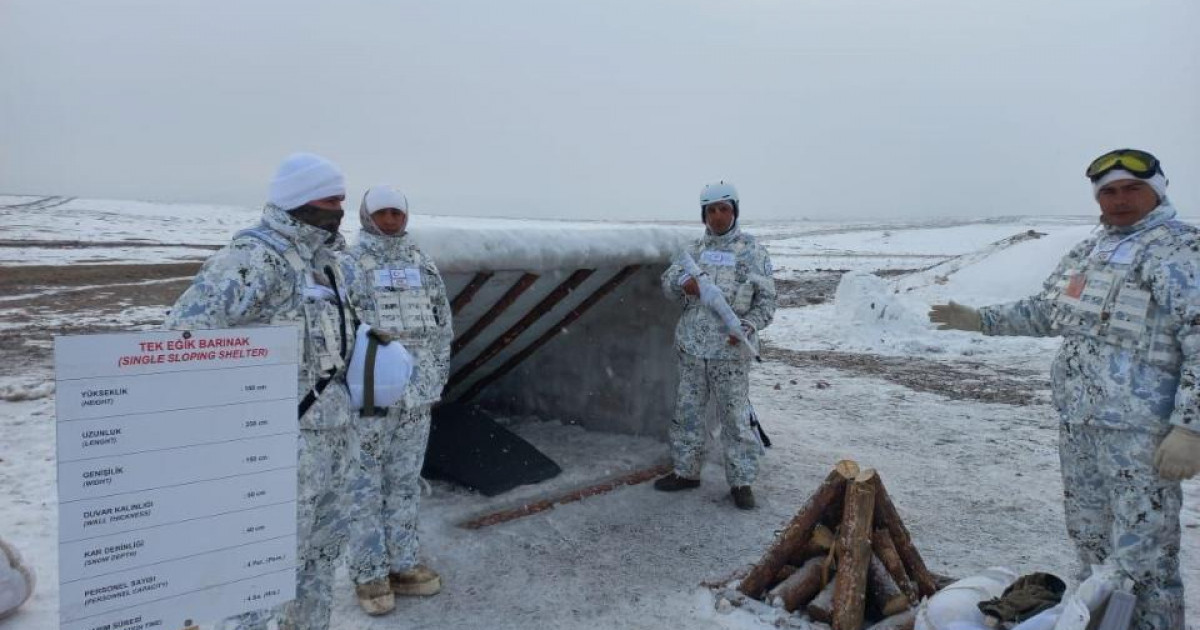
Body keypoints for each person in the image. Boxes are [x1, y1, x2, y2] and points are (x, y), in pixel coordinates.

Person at [929, 148, 1200, 630]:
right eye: (1108, 192)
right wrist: (980, 320)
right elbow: (1047, 310)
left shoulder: (1182, 251)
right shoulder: (1090, 251)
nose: (1119, 201)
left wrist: (1191, 427)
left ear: (1157, 191)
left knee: (1146, 558)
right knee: (1092, 547)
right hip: (1080, 426)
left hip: (1142, 436)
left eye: (1132, 189)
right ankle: (1097, 623)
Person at [165, 153, 362, 630]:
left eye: (341, 197)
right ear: (297, 198)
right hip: (273, 446)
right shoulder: (252, 260)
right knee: (261, 570)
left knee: (321, 558)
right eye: (330, 197)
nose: (339, 207)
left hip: (335, 438)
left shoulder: (329, 265)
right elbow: (181, 340)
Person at [346, 185, 453, 615]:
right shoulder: (350, 265)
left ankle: (403, 563)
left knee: (405, 481)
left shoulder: (421, 263)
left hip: (417, 398)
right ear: (367, 216)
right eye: (382, 213)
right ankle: (370, 571)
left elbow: (442, 325)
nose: (390, 220)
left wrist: (434, 381)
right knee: (365, 485)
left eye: (397, 213)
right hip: (370, 398)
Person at [655, 181, 776, 510]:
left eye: (725, 209)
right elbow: (667, 283)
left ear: (734, 211)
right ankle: (685, 472)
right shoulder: (693, 251)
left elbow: (767, 302)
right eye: (712, 210)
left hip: (731, 353)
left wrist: (748, 327)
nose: (718, 216)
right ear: (704, 215)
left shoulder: (753, 251)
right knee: (687, 413)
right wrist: (685, 283)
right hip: (693, 348)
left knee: (735, 419)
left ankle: (741, 481)